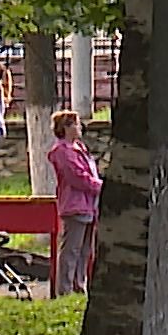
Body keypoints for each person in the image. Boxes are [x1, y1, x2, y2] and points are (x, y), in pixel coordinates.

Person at [48, 110, 102, 296]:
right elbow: (77, 177)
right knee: (71, 249)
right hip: (74, 205)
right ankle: (65, 289)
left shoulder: (79, 147)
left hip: (89, 205)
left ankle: (79, 284)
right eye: (76, 124)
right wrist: (100, 186)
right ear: (66, 128)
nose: (79, 128)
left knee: (85, 250)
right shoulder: (62, 151)